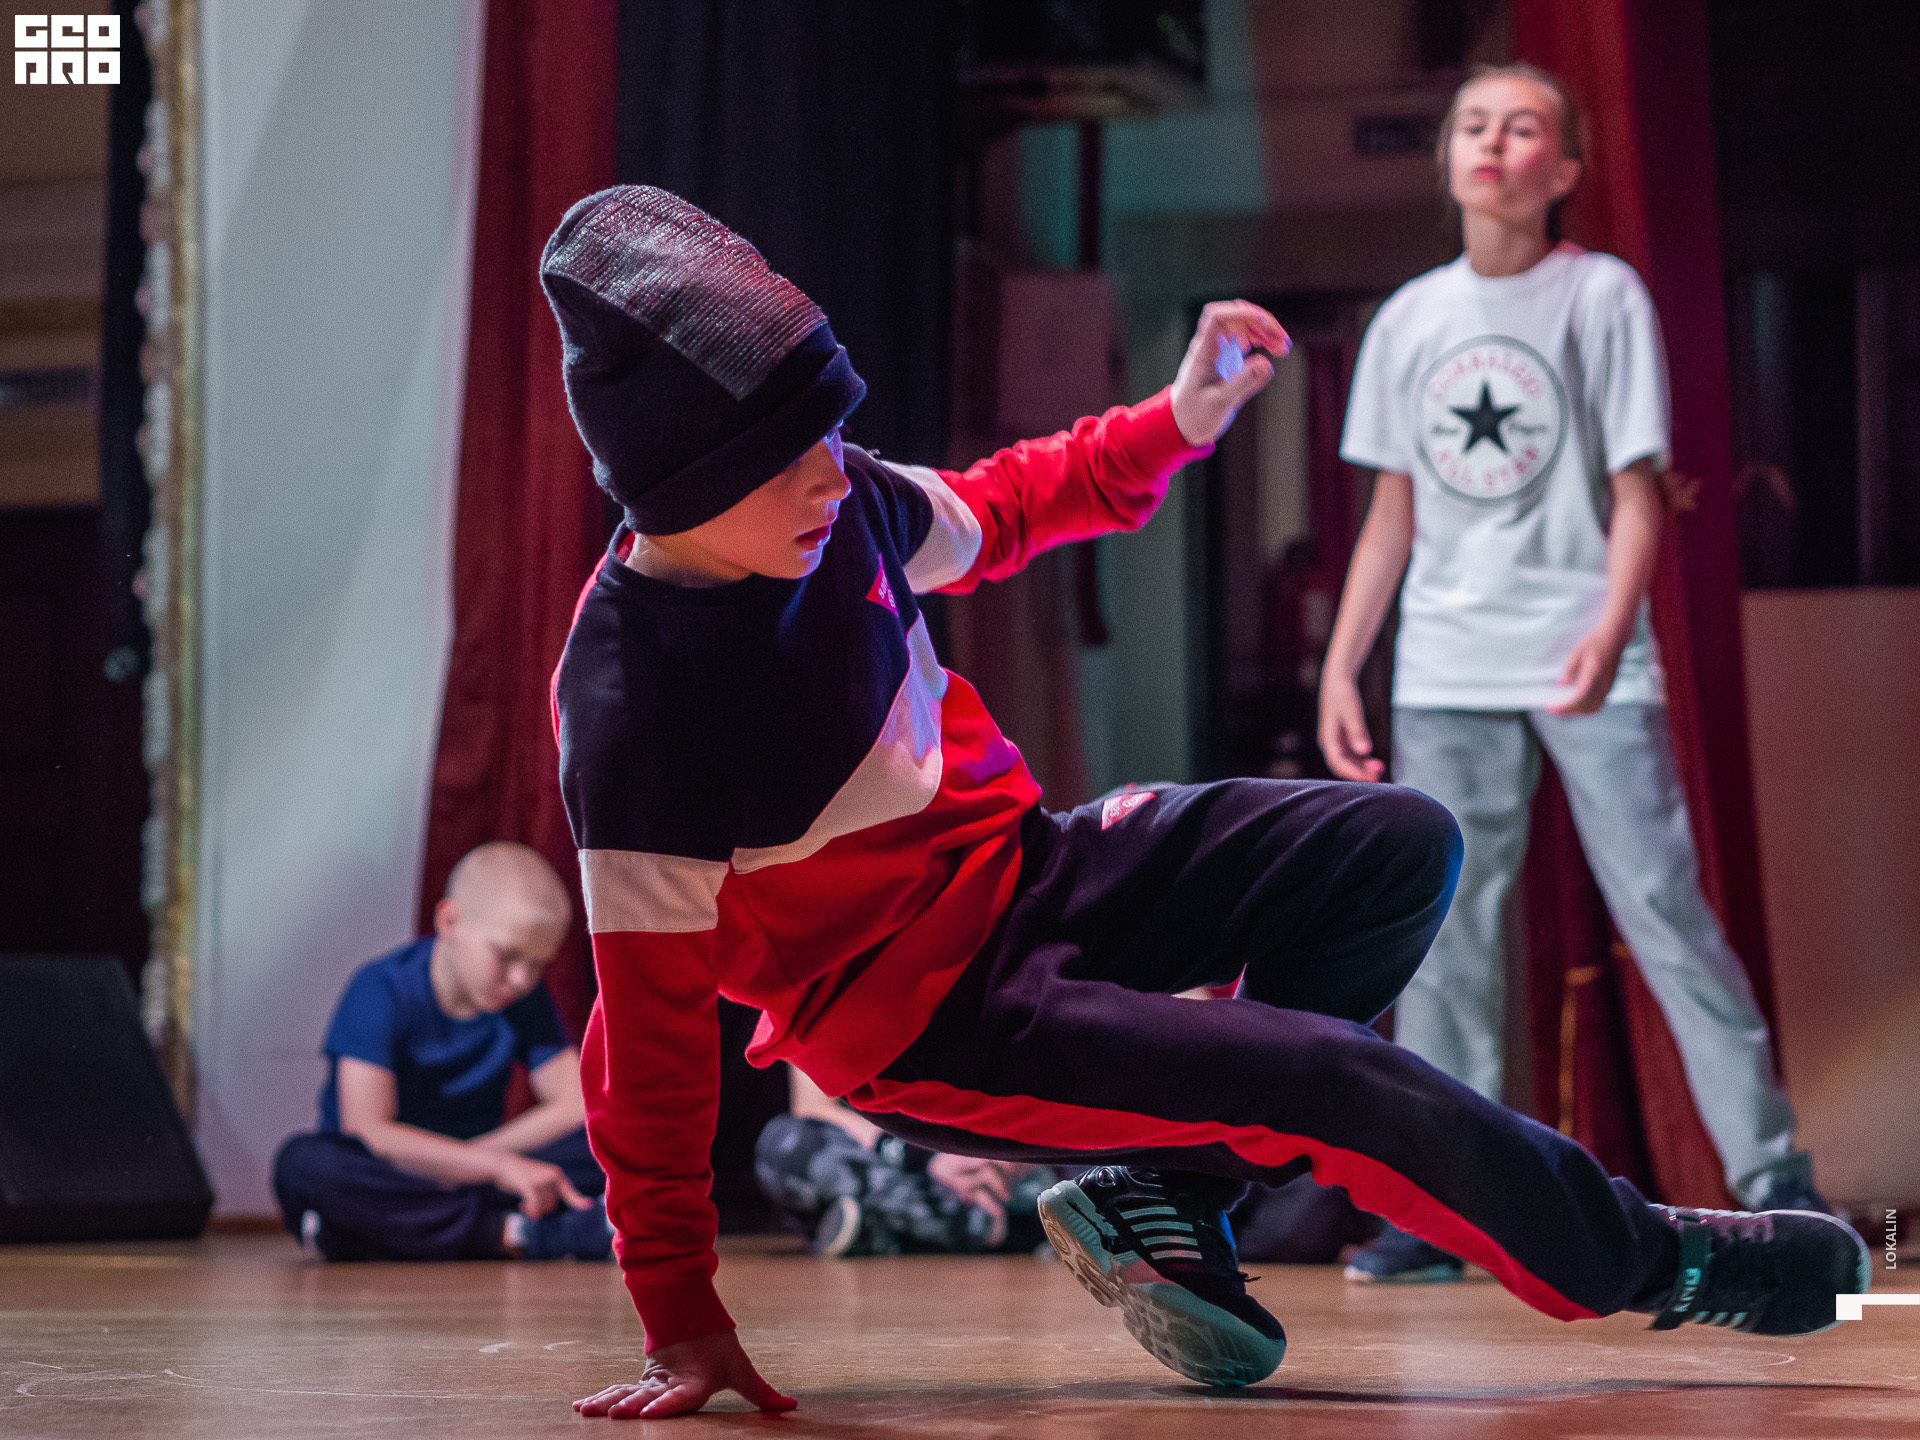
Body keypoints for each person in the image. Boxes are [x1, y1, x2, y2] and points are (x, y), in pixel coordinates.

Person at [540, 187, 1866, 1420]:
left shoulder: (844, 507)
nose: (834, 474)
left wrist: (1176, 419)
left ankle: (1167, 1198)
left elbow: (1008, 506)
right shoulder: (631, 706)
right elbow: (644, 1038)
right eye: (792, 458)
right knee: (1325, 1081)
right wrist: (677, 1306)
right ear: (684, 487)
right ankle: (1660, 1262)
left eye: (834, 434)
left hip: (1035, 872)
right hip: (930, 1018)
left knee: (1394, 844)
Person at [1318, 63, 1828, 1285]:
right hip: (1445, 664)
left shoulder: (1600, 294)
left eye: (1522, 126)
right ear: (1448, 159)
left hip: (1582, 654)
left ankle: (1774, 1176)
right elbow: (1391, 517)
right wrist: (1344, 667)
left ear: (1565, 169)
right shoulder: (1408, 321)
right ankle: (1442, 1204)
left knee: (1661, 906)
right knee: (1446, 939)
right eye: (1473, 125)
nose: (1492, 143)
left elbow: (1636, 491)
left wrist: (1611, 625)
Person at [272, 842, 612, 1262]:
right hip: (396, 1170)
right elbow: (370, 1131)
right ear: (449, 920)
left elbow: (575, 1104)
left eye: (537, 964)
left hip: (468, 1170)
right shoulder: (380, 989)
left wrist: (477, 1162)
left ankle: (382, 1234)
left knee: (614, 1137)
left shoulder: (524, 998)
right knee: (304, 1164)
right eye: (507, 955)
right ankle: (521, 1232)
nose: (521, 979)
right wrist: (496, 1167)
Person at [756, 1066, 1054, 1256]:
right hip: (885, 1159)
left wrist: (998, 1153)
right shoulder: (820, 989)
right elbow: (814, 1109)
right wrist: (924, 1156)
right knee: (785, 1145)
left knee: (1051, 1173)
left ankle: (883, 1230)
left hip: (982, 1159)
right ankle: (997, 1230)